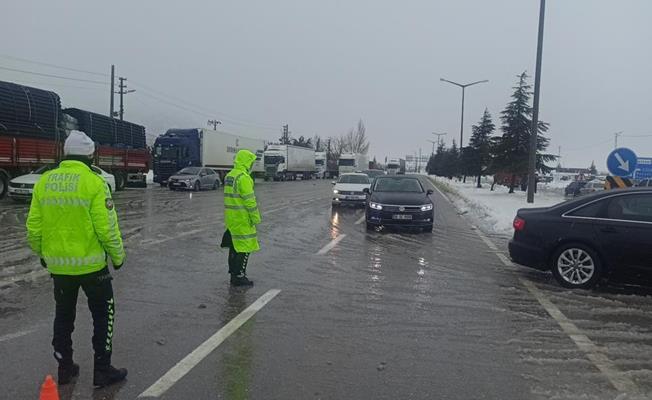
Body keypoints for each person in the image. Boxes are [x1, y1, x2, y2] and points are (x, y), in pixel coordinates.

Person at [26, 130, 128, 387]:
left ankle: (64, 367)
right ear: (91, 155)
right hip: (93, 267)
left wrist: (43, 255)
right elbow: (106, 228)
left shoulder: (45, 182)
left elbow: (33, 227)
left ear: (65, 152)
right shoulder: (94, 183)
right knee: (104, 315)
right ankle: (102, 370)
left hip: (59, 268)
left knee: (63, 317)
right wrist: (118, 256)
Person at [221, 149, 261, 287]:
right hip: (243, 219)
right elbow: (250, 201)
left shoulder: (230, 176)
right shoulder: (243, 178)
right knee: (245, 248)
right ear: (245, 161)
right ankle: (239, 276)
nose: (251, 165)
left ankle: (233, 274)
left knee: (234, 247)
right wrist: (255, 218)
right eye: (251, 162)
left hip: (232, 219)